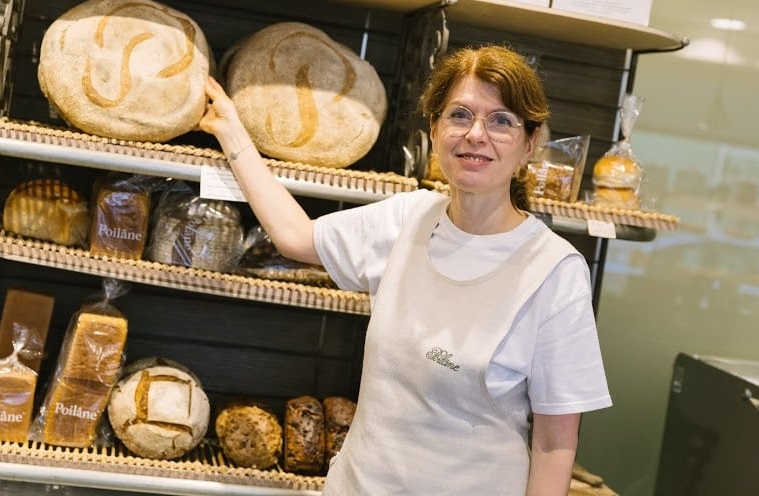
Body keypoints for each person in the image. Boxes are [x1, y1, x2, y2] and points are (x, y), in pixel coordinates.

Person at [199, 44, 612, 496]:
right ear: (434, 130)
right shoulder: (407, 218)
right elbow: (296, 236)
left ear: (529, 144)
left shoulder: (555, 270)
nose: (476, 134)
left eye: (501, 121)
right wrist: (233, 135)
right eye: (460, 115)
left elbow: (554, 445)